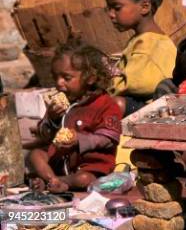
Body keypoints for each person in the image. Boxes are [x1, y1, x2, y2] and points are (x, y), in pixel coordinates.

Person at [29, 39, 121, 192]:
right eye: (55, 77)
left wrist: (79, 139)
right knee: (35, 155)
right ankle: (52, 180)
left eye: (67, 78)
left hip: (90, 167)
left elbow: (110, 138)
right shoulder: (61, 103)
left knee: (83, 179)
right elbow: (43, 133)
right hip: (60, 161)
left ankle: (55, 182)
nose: (59, 83)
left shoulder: (106, 104)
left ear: (90, 78)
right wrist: (51, 118)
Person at [105, 0, 177, 116]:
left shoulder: (154, 43)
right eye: (109, 8)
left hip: (152, 110)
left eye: (117, 8)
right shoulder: (139, 39)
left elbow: (142, 83)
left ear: (145, 7)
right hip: (137, 103)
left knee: (114, 104)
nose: (110, 15)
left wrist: (110, 80)